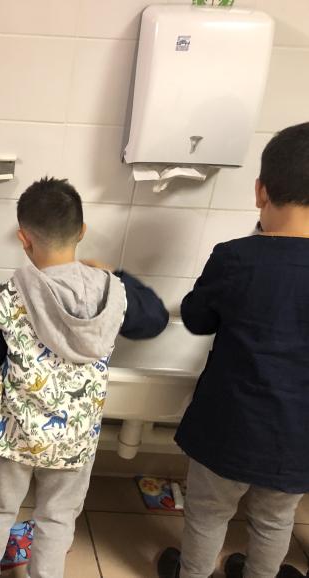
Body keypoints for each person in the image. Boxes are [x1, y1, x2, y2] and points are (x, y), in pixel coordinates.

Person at [0, 177, 169, 578]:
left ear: (23, 238)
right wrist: (114, 274)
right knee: (57, 517)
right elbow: (155, 319)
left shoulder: (6, 296)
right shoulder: (111, 293)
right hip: (75, 437)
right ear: (82, 231)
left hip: (14, 433)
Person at [157, 124, 309, 578]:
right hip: (297, 436)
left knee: (207, 512)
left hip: (228, 426)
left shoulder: (236, 257)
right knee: (275, 518)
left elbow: (197, 318)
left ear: (261, 191)